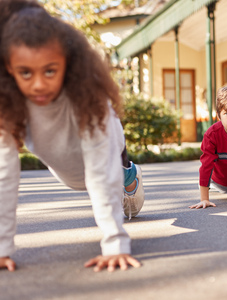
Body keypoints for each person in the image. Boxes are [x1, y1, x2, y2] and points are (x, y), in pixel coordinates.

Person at [0, 0, 145, 272]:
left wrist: (115, 245)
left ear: (67, 63)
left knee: (110, 179)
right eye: (26, 73)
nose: (39, 84)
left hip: (106, 150)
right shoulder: (8, 103)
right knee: (82, 181)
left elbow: (101, 173)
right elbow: (3, 173)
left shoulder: (89, 99)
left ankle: (129, 174)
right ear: (9, 67)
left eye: (50, 71)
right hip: (66, 167)